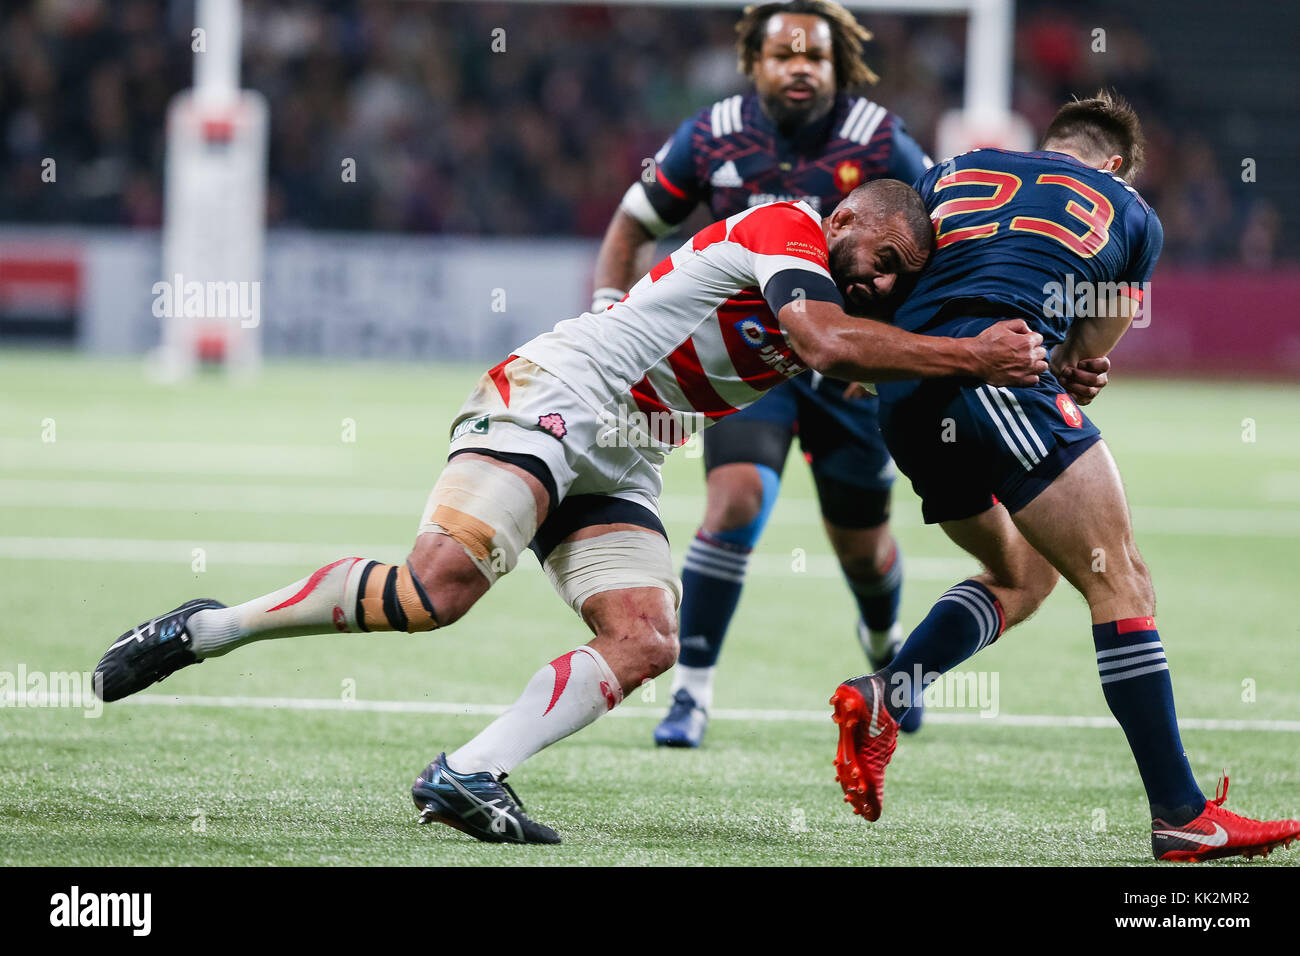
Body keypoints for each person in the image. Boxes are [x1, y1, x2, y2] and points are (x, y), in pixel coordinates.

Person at [92, 181, 1047, 845]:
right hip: (559, 392)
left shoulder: (848, 291)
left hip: (626, 453)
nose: (880, 280)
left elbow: (887, 349)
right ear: (842, 218)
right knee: (437, 592)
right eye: (877, 256)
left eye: (897, 275)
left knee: (646, 638)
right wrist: (973, 358)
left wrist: (1065, 361)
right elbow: (831, 344)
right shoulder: (784, 233)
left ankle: (466, 772)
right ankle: (209, 627)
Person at [828, 92, 1300, 862]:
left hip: (906, 393)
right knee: (1123, 582)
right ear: (1113, 164)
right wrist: (1073, 365)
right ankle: (1182, 815)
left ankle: (888, 695)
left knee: (1023, 577)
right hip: (998, 377)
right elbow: (1085, 351)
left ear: (1045, 144)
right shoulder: (1131, 209)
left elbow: (900, 266)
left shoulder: (957, 170)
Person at [594, 0, 937, 747]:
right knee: (734, 502)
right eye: (785, 54)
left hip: (847, 370)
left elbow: (928, 244)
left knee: (863, 545)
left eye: (815, 55)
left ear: (838, 65)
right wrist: (607, 317)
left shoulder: (879, 139)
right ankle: (690, 693)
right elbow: (632, 224)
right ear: (755, 62)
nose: (801, 67)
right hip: (751, 372)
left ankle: (887, 655)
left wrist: (885, 345)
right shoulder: (713, 135)